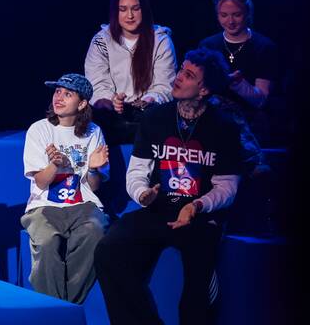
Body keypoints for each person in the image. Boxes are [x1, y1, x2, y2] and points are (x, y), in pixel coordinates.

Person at [94, 49, 251, 325]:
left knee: (197, 291)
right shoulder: (155, 118)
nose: (178, 77)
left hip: (200, 217)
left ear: (204, 90)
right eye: (180, 70)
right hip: (158, 209)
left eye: (188, 75)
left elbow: (227, 187)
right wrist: (142, 193)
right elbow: (137, 171)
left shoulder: (223, 126)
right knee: (109, 251)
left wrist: (196, 205)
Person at [20, 73, 109, 304]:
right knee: (48, 242)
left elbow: (94, 187)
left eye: (67, 94)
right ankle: (55, 309)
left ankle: (66, 306)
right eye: (57, 91)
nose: (58, 97)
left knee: (95, 232)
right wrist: (55, 165)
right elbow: (41, 182)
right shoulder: (39, 129)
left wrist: (93, 169)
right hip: (44, 206)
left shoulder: (94, 132)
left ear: (82, 104)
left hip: (83, 205)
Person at [84, 0, 177, 144]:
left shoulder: (161, 41)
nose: (130, 15)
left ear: (144, 10)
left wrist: (146, 101)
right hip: (110, 117)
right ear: (115, 12)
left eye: (135, 8)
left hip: (148, 115)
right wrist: (111, 100)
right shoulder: (101, 40)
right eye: (123, 9)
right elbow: (96, 83)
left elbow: (164, 85)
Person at [197, 0, 282, 144]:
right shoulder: (207, 45)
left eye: (236, 14)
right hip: (212, 123)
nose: (230, 21)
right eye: (224, 15)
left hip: (250, 127)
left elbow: (261, 101)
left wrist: (238, 84)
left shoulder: (264, 47)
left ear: (247, 12)